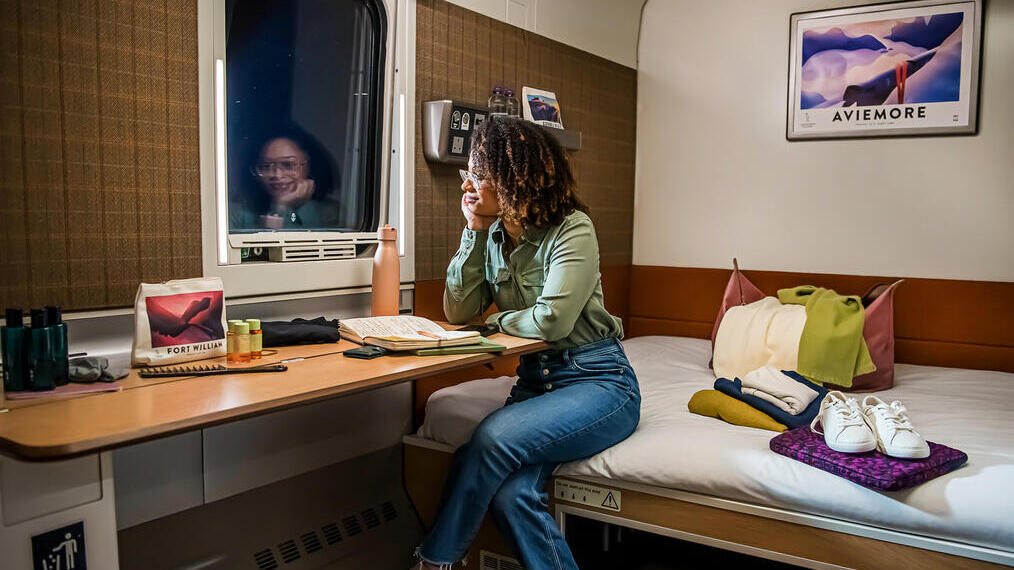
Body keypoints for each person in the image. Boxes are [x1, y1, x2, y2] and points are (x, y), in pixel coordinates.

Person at [412, 117, 640, 570]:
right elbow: (458, 310)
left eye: (479, 174)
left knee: (491, 437)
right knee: (512, 494)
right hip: (535, 384)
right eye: (468, 174)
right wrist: (474, 230)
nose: (468, 185)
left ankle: (433, 563)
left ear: (513, 179)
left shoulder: (572, 228)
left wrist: (498, 319)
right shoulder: (493, 236)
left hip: (599, 380)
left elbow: (553, 321)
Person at [229, 128, 340, 230]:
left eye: (288, 165)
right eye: (266, 166)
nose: (277, 175)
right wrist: (280, 208)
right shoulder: (237, 213)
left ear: (308, 166)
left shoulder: (330, 213)